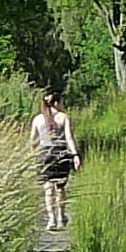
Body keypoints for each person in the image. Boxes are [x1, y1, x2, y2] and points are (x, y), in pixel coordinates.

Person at [28, 92, 79, 231]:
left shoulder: (38, 119)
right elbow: (69, 137)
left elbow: (33, 140)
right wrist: (75, 155)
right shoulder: (64, 117)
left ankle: (51, 219)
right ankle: (62, 214)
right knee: (60, 187)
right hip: (60, 153)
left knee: (48, 188)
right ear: (57, 103)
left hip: (45, 154)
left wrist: (34, 154)